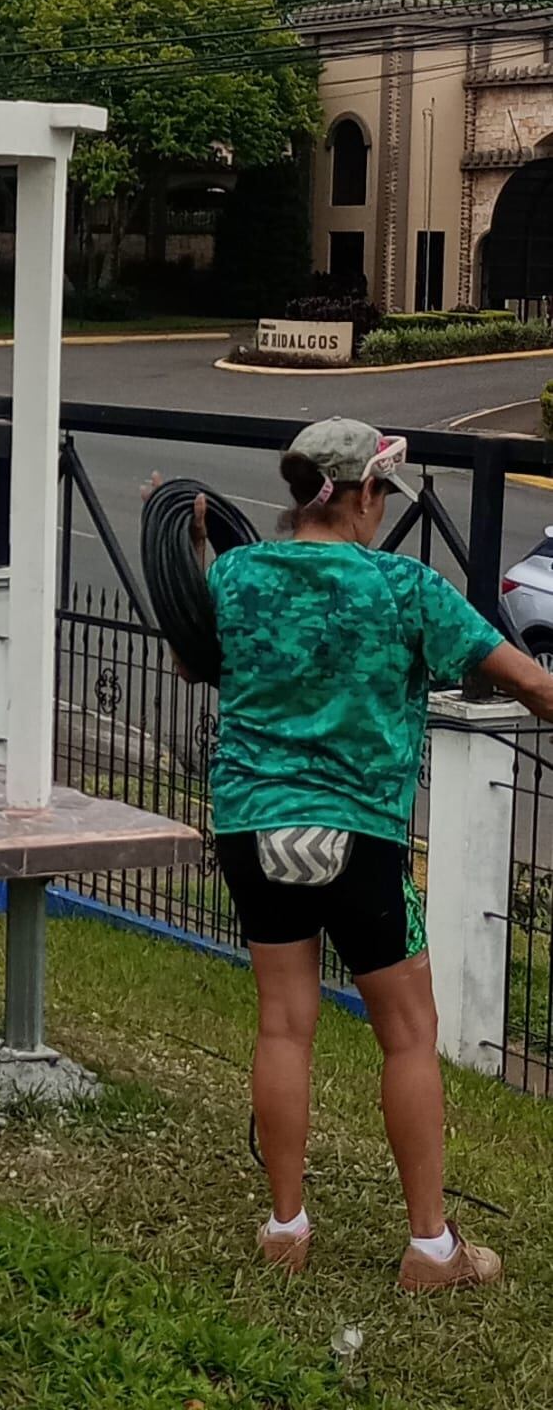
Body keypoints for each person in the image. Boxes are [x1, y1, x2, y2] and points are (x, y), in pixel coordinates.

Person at [164, 418, 553, 1292]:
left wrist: (193, 564)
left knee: (282, 1024)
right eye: (383, 494)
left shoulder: (234, 573)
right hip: (361, 835)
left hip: (253, 827)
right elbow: (527, 682)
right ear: (362, 495)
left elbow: (193, 665)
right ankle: (429, 1250)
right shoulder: (405, 588)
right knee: (409, 1036)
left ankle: (285, 1229)